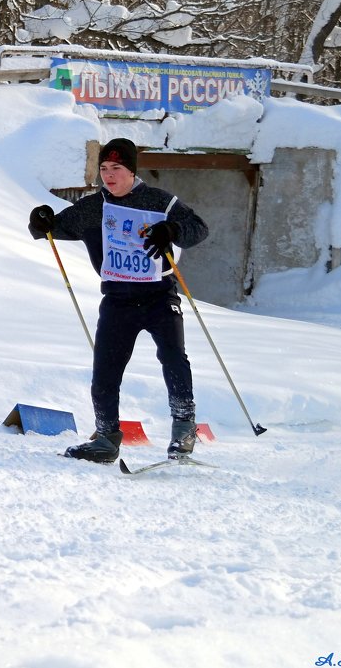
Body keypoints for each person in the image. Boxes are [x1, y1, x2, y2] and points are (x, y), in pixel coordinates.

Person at [27, 138, 209, 464]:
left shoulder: (159, 201)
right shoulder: (93, 207)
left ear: (131, 172)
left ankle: (184, 428)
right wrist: (40, 219)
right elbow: (51, 228)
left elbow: (199, 228)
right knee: (105, 372)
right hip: (117, 300)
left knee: (173, 358)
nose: (108, 176)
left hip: (157, 295)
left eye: (116, 168)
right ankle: (106, 439)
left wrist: (171, 229)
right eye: (104, 169)